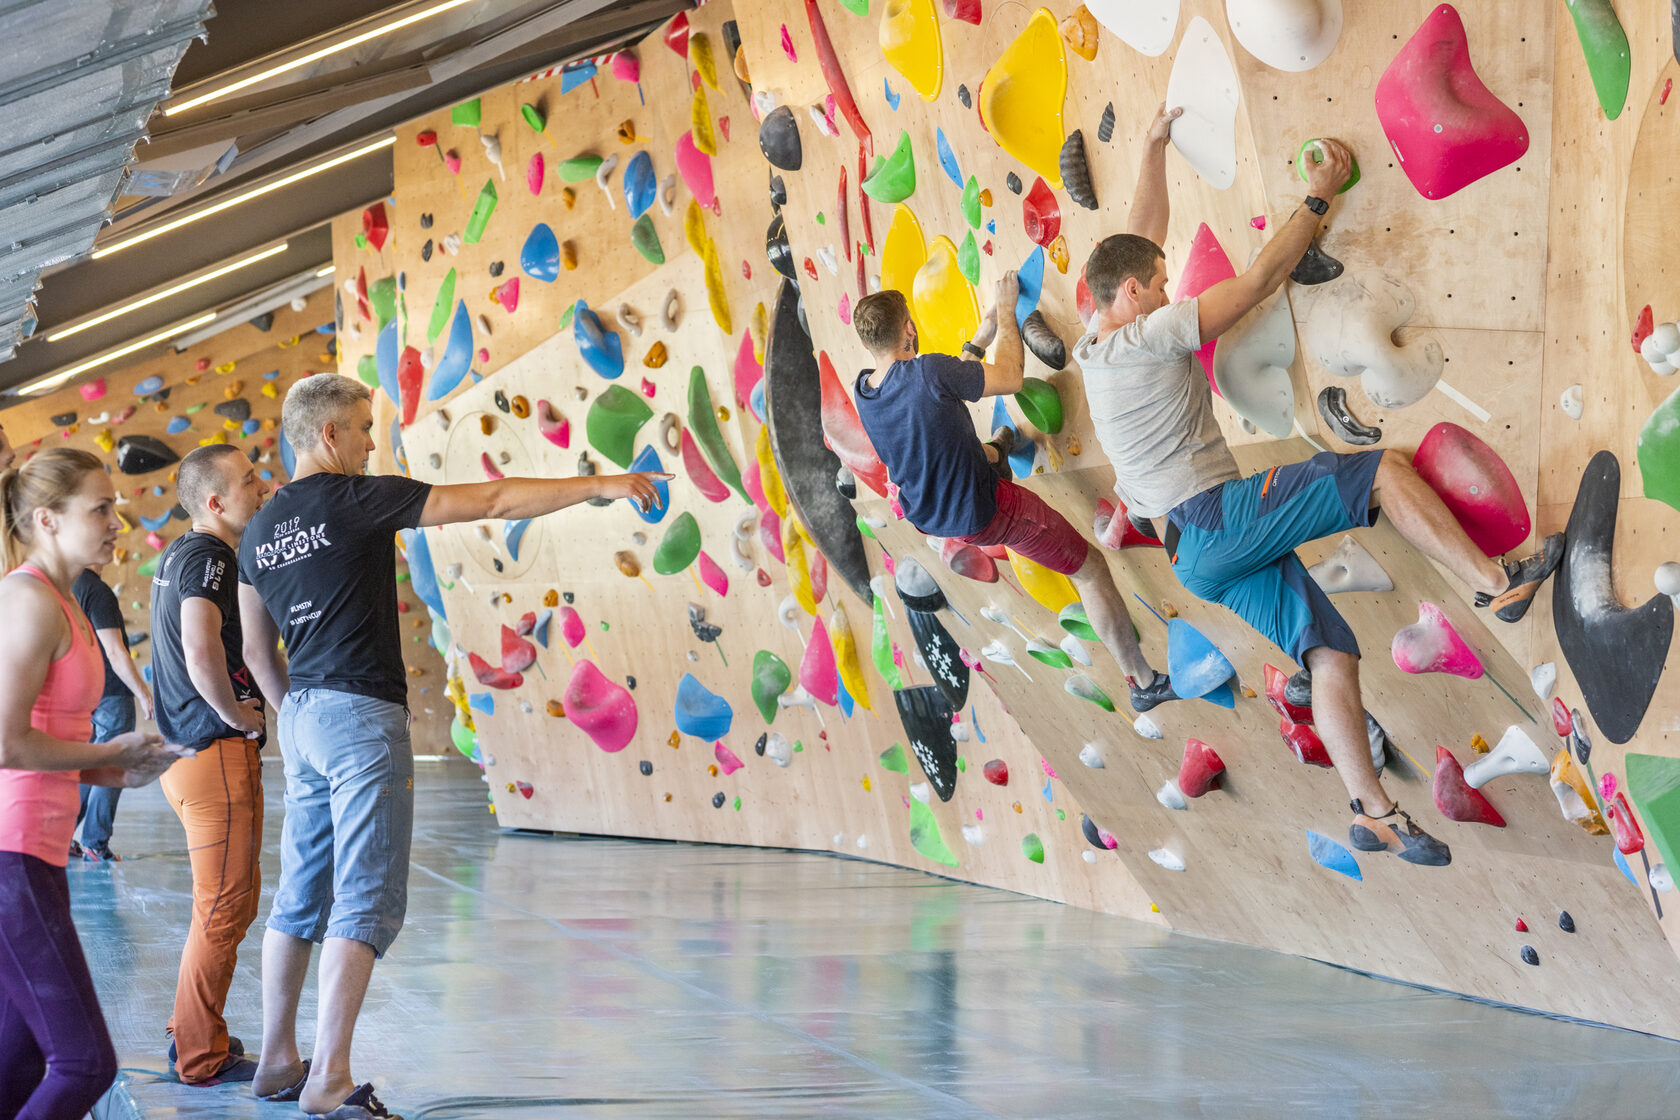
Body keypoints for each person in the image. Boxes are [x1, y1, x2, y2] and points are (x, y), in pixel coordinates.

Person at [1076, 105, 1566, 866]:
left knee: (1329, 654)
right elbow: (1263, 280)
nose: (1171, 287)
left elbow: (1132, 241)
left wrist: (1152, 145)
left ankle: (1373, 812)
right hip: (1213, 521)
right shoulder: (1151, 333)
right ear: (1136, 295)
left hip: (1193, 556)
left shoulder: (1093, 342)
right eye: (1161, 283)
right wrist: (1318, 196)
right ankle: (1496, 583)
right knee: (1381, 472)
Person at [241, 375, 669, 1118]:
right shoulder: (356, 498)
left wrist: (300, 714)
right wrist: (604, 482)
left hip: (303, 716)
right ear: (328, 436)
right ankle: (330, 1077)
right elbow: (495, 502)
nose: (374, 442)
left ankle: (278, 1058)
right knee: (366, 895)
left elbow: (253, 644)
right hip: (357, 712)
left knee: (301, 889)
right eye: (364, 427)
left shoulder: (258, 530)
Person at [850, 275, 1175, 710]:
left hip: (936, 508)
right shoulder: (927, 371)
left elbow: (936, 396)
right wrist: (1006, 310)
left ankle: (996, 451)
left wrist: (980, 340)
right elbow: (1010, 377)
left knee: (976, 447)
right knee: (1090, 569)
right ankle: (1143, 683)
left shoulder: (866, 389)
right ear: (910, 327)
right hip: (987, 512)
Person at [0, 448, 188, 1117]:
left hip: (40, 852)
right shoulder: (27, 600)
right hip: (11, 854)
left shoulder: (69, 601)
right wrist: (109, 748)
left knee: (18, 1064)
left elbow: (49, 735)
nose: (118, 522)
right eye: (101, 508)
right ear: (47, 519)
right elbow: (5, 741)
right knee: (85, 1064)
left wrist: (119, 770)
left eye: (117, 506)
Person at [148, 445, 276, 1089]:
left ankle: (191, 1029)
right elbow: (200, 646)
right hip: (211, 755)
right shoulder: (212, 557)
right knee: (224, 908)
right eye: (250, 480)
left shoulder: (177, 553)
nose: (263, 486)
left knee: (227, 904)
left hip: (186, 756)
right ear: (217, 503)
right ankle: (201, 1055)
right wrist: (237, 714)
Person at [71, 563, 154, 861]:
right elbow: (116, 652)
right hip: (111, 694)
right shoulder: (97, 591)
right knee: (114, 766)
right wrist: (143, 693)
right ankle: (95, 842)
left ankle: (64, 836)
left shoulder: (67, 585)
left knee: (88, 764)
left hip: (84, 693)